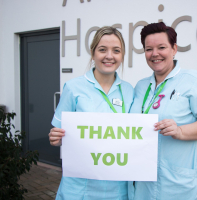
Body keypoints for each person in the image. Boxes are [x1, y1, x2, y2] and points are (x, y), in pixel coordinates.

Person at [128, 22, 197, 200]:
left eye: (161, 47)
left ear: (174, 49)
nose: (155, 54)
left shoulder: (193, 81)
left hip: (178, 184)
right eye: (149, 49)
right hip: (144, 183)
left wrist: (181, 131)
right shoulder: (141, 86)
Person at [48, 26, 134, 200]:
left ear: (122, 55)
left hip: (118, 190)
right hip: (79, 189)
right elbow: (57, 134)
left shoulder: (129, 91)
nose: (109, 56)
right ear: (93, 53)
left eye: (116, 51)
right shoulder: (73, 88)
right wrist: (55, 138)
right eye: (102, 50)